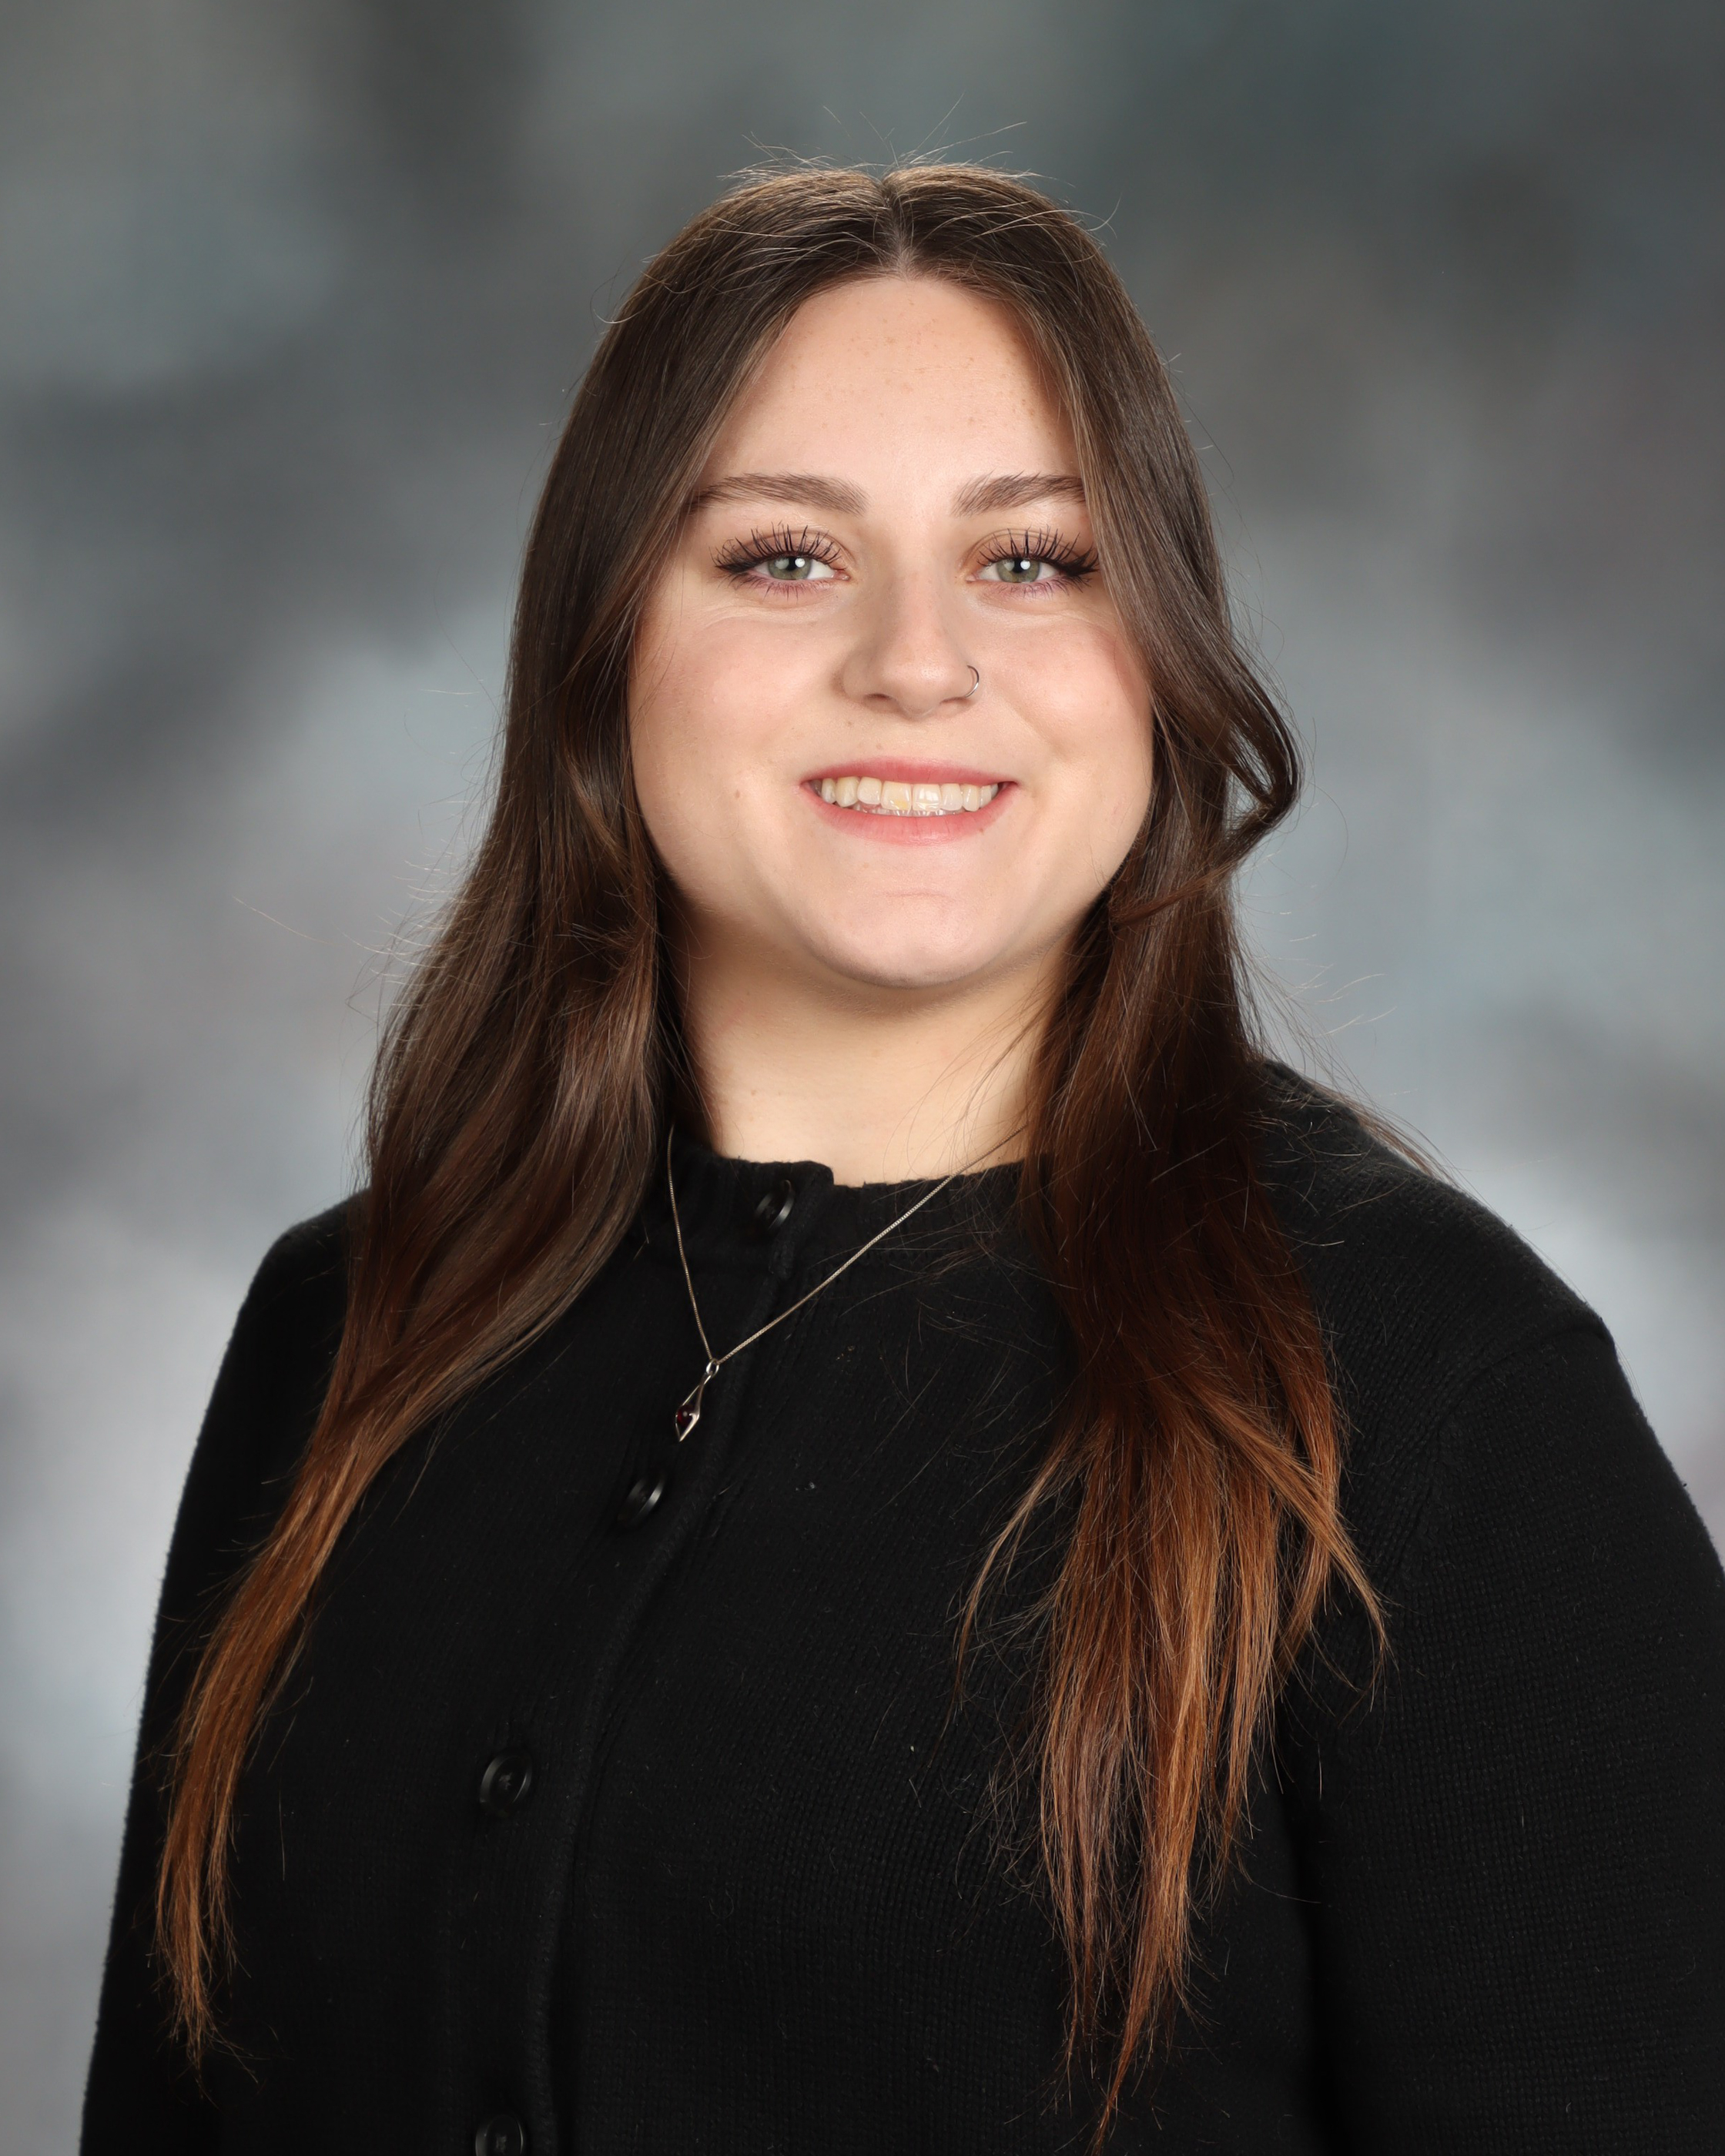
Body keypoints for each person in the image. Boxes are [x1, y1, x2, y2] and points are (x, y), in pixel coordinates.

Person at [84, 165, 1724, 2155]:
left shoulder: (1431, 1397)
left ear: (1160, 655)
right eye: (786, 557)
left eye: (1034, 559)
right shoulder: (346, 1332)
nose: (919, 662)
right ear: (606, 641)